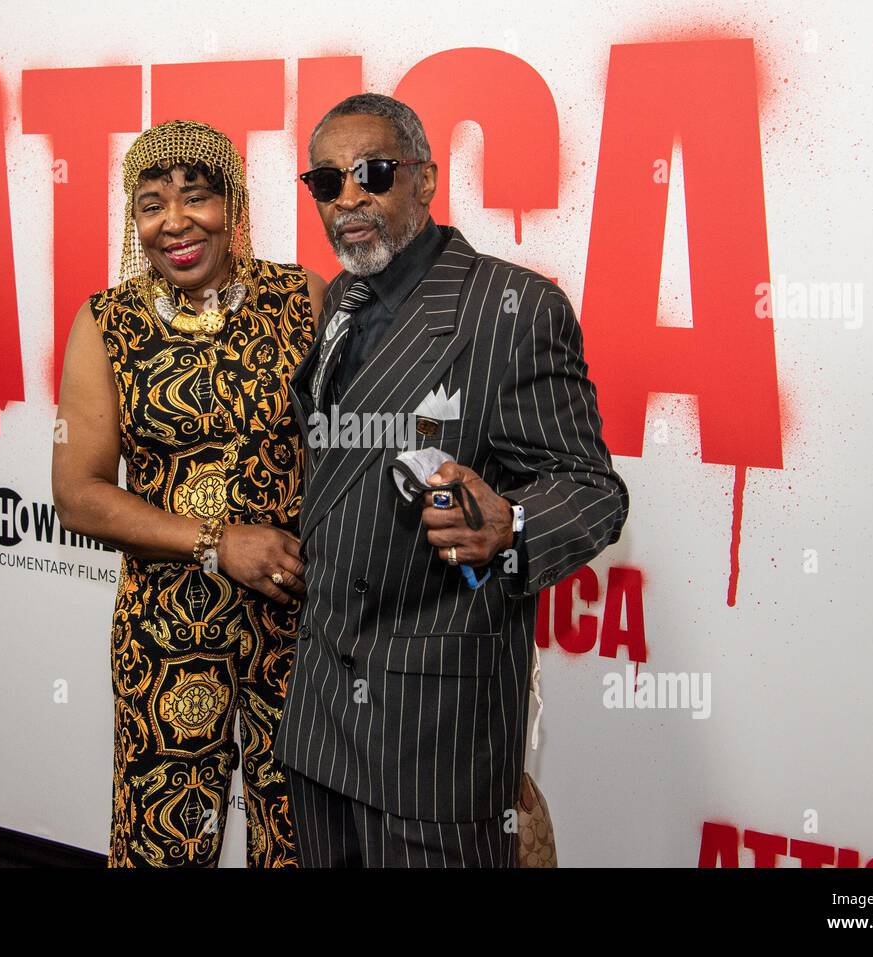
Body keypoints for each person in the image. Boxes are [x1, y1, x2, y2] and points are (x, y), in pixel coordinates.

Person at [274, 94, 630, 867]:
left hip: (434, 736)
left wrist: (514, 522)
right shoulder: (341, 299)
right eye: (326, 182)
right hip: (321, 721)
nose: (349, 198)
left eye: (373, 172)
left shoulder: (512, 308)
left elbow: (594, 488)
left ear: (426, 180)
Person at [52, 119, 325, 867]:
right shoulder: (107, 324)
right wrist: (215, 542)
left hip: (301, 625)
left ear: (232, 204)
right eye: (150, 204)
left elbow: (350, 448)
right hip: (167, 631)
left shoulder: (302, 296)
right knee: (164, 846)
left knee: (304, 841)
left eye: (195, 196)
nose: (174, 221)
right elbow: (77, 493)